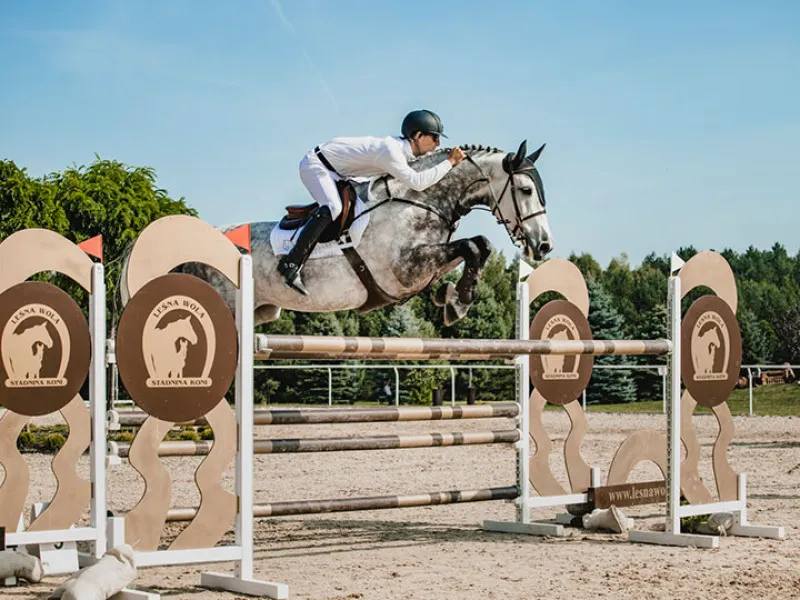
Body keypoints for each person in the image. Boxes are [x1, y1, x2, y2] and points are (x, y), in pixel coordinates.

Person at [277, 109, 467, 295]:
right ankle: (291, 262)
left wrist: (447, 158)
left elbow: (425, 164)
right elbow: (418, 183)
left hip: (340, 172)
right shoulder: (391, 151)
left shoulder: (401, 150)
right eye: (434, 138)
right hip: (316, 166)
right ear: (417, 135)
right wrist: (449, 162)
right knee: (333, 207)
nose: (437, 143)